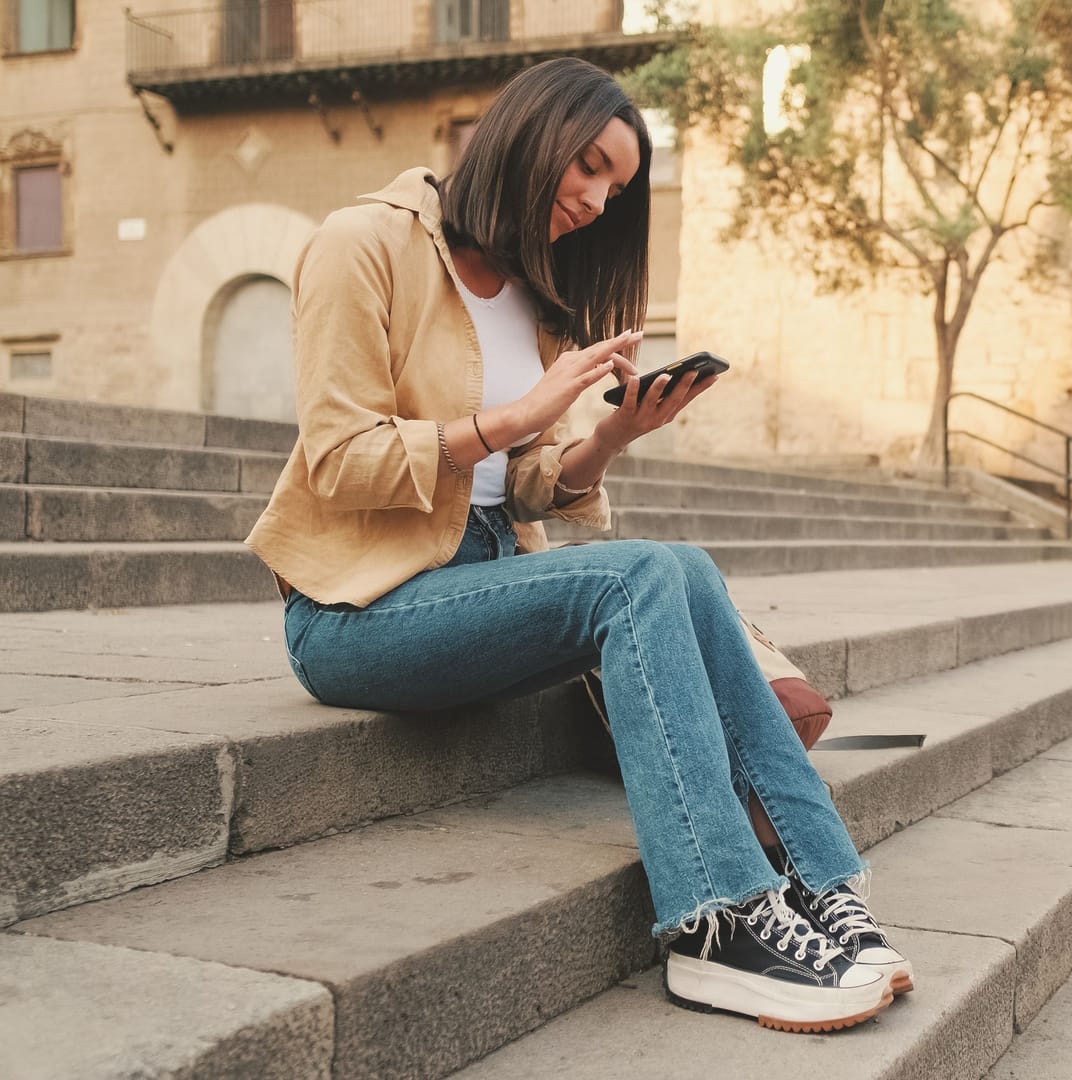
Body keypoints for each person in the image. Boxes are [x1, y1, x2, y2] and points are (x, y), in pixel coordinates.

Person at [244, 57, 911, 1034]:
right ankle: (715, 923)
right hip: (357, 611)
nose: (598, 201)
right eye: (590, 167)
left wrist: (606, 436)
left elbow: (522, 488)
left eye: (617, 186)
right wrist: (516, 415)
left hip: (482, 576)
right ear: (529, 130)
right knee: (643, 575)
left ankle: (815, 883)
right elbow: (338, 462)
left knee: (678, 562)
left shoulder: (525, 295)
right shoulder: (362, 244)